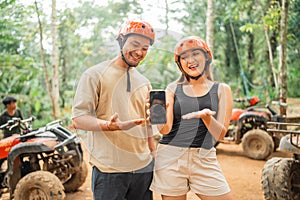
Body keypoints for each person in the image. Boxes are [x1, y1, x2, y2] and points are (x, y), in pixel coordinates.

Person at [72, 19, 156, 200]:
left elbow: (147, 125)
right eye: (135, 44)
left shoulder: (144, 82)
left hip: (143, 169)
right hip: (109, 171)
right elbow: (78, 118)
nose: (139, 52)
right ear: (120, 39)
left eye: (145, 48)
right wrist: (108, 125)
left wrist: (154, 155)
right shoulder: (94, 74)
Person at [150, 36, 235, 200]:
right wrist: (157, 114)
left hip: (203, 157)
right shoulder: (172, 88)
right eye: (184, 57)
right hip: (170, 157)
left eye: (195, 53)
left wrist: (206, 117)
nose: (190, 60)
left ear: (207, 57)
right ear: (180, 64)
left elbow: (220, 135)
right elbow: (165, 130)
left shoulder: (222, 90)